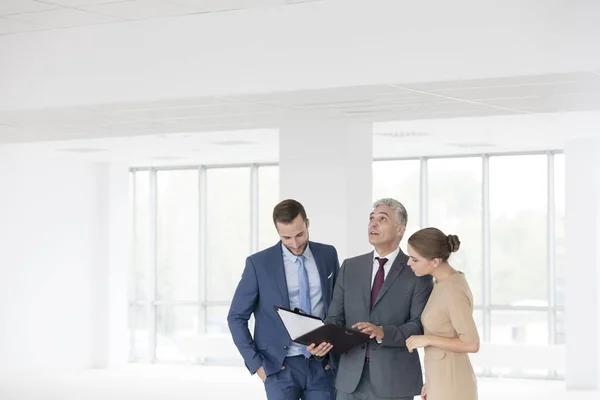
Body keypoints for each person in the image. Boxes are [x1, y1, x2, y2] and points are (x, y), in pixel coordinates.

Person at [309, 198, 433, 400]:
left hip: (394, 382)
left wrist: (382, 332)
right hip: (350, 381)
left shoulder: (418, 271)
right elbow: (335, 318)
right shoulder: (350, 267)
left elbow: (419, 325)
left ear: (400, 229)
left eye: (382, 219)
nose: (373, 224)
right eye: (371, 218)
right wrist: (321, 340)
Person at [227, 199, 340, 400]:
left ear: (307, 224)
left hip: (322, 365)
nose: (295, 244)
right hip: (280, 367)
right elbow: (236, 317)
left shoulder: (328, 254)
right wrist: (257, 365)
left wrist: (332, 345)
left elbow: (338, 306)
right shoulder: (258, 264)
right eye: (286, 237)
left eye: (300, 235)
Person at [405, 227, 480, 400]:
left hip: (452, 386)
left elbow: (471, 343)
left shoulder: (453, 290)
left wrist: (427, 339)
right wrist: (431, 381)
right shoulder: (440, 283)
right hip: (442, 381)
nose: (409, 263)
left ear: (435, 261)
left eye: (414, 259)